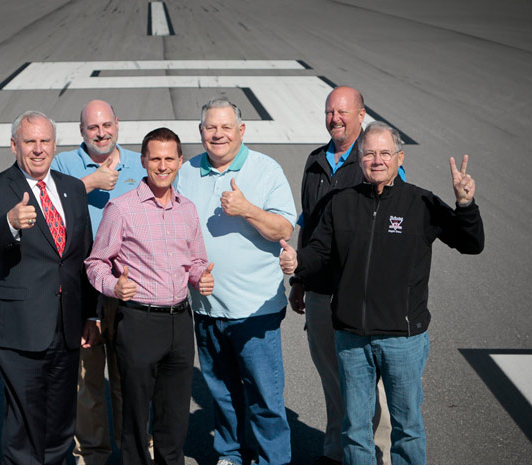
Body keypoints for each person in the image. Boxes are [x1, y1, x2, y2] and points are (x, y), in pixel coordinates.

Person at [280, 121, 484, 465]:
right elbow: (319, 252)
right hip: (351, 338)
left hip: (402, 339)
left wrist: (466, 206)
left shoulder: (420, 202)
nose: (377, 160)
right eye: (369, 153)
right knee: (355, 428)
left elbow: (470, 243)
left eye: (385, 153)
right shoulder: (340, 203)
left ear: (399, 158)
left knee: (408, 427)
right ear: (359, 159)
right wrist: (297, 262)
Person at [0, 111, 98, 465]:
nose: (38, 149)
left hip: (67, 323)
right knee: (25, 422)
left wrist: (90, 312)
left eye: (45, 141)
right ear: (14, 146)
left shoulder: (72, 188)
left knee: (59, 420)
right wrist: (8, 223)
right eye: (30, 142)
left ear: (55, 145)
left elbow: (82, 255)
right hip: (18, 325)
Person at [176, 98, 296, 465]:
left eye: (226, 127)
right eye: (211, 127)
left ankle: (271, 459)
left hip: (254, 309)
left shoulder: (266, 170)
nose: (218, 134)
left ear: (241, 131)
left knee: (264, 396)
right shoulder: (187, 171)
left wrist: (246, 210)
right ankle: (229, 453)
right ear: (200, 132)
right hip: (206, 308)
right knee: (223, 392)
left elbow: (284, 228)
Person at [84, 127, 214, 465]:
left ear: (180, 162)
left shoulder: (188, 210)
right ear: (143, 161)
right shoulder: (121, 209)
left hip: (180, 323)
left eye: (169, 158)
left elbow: (196, 261)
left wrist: (201, 277)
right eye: (155, 158)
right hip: (138, 322)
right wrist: (113, 287)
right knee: (134, 419)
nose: (162, 165)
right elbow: (95, 262)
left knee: (174, 419)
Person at [289, 86, 399, 465]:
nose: (335, 118)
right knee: (333, 378)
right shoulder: (315, 160)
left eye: (343, 112)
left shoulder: (375, 160)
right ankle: (338, 451)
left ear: (361, 114)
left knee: (371, 378)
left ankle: (378, 452)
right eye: (330, 112)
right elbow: (309, 223)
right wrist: (300, 280)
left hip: (361, 292)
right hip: (320, 290)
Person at [51, 99, 147, 465]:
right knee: (87, 381)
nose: (101, 132)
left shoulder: (139, 163)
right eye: (93, 127)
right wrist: (89, 183)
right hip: (80, 288)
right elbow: (49, 207)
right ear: (81, 132)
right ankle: (91, 454)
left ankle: (137, 450)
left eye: (107, 125)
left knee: (131, 379)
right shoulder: (64, 165)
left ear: (118, 124)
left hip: (129, 287)